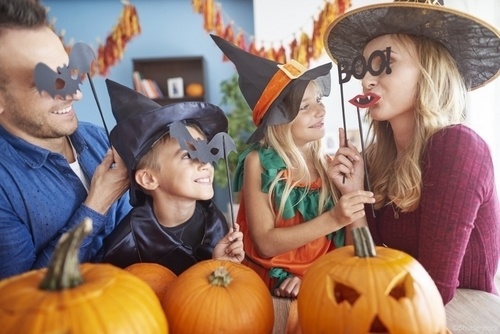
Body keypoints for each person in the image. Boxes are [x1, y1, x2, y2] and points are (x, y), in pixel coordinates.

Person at [324, 0, 500, 304]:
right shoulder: (373, 160)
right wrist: (353, 194)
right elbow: (372, 263)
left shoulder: (458, 147)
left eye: (383, 62)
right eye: (364, 67)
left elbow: (434, 290)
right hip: (397, 308)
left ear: (428, 70)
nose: (366, 80)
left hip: (458, 316)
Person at [211, 34, 375, 298]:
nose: (320, 111)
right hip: (269, 288)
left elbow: (360, 252)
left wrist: (351, 194)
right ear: (278, 121)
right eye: (305, 107)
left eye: (319, 101)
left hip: (323, 281)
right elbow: (265, 243)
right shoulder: (260, 163)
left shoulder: (328, 166)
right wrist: (334, 218)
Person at [0, 0, 131, 279]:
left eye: (69, 71)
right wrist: (96, 205)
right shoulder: (4, 186)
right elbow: (20, 300)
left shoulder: (101, 138)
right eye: (48, 82)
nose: (75, 94)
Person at [99, 79, 244, 275]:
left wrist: (220, 265)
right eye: (188, 155)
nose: (204, 163)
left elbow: (210, 295)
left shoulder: (214, 221)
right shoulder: (127, 242)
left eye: (205, 151)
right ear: (149, 179)